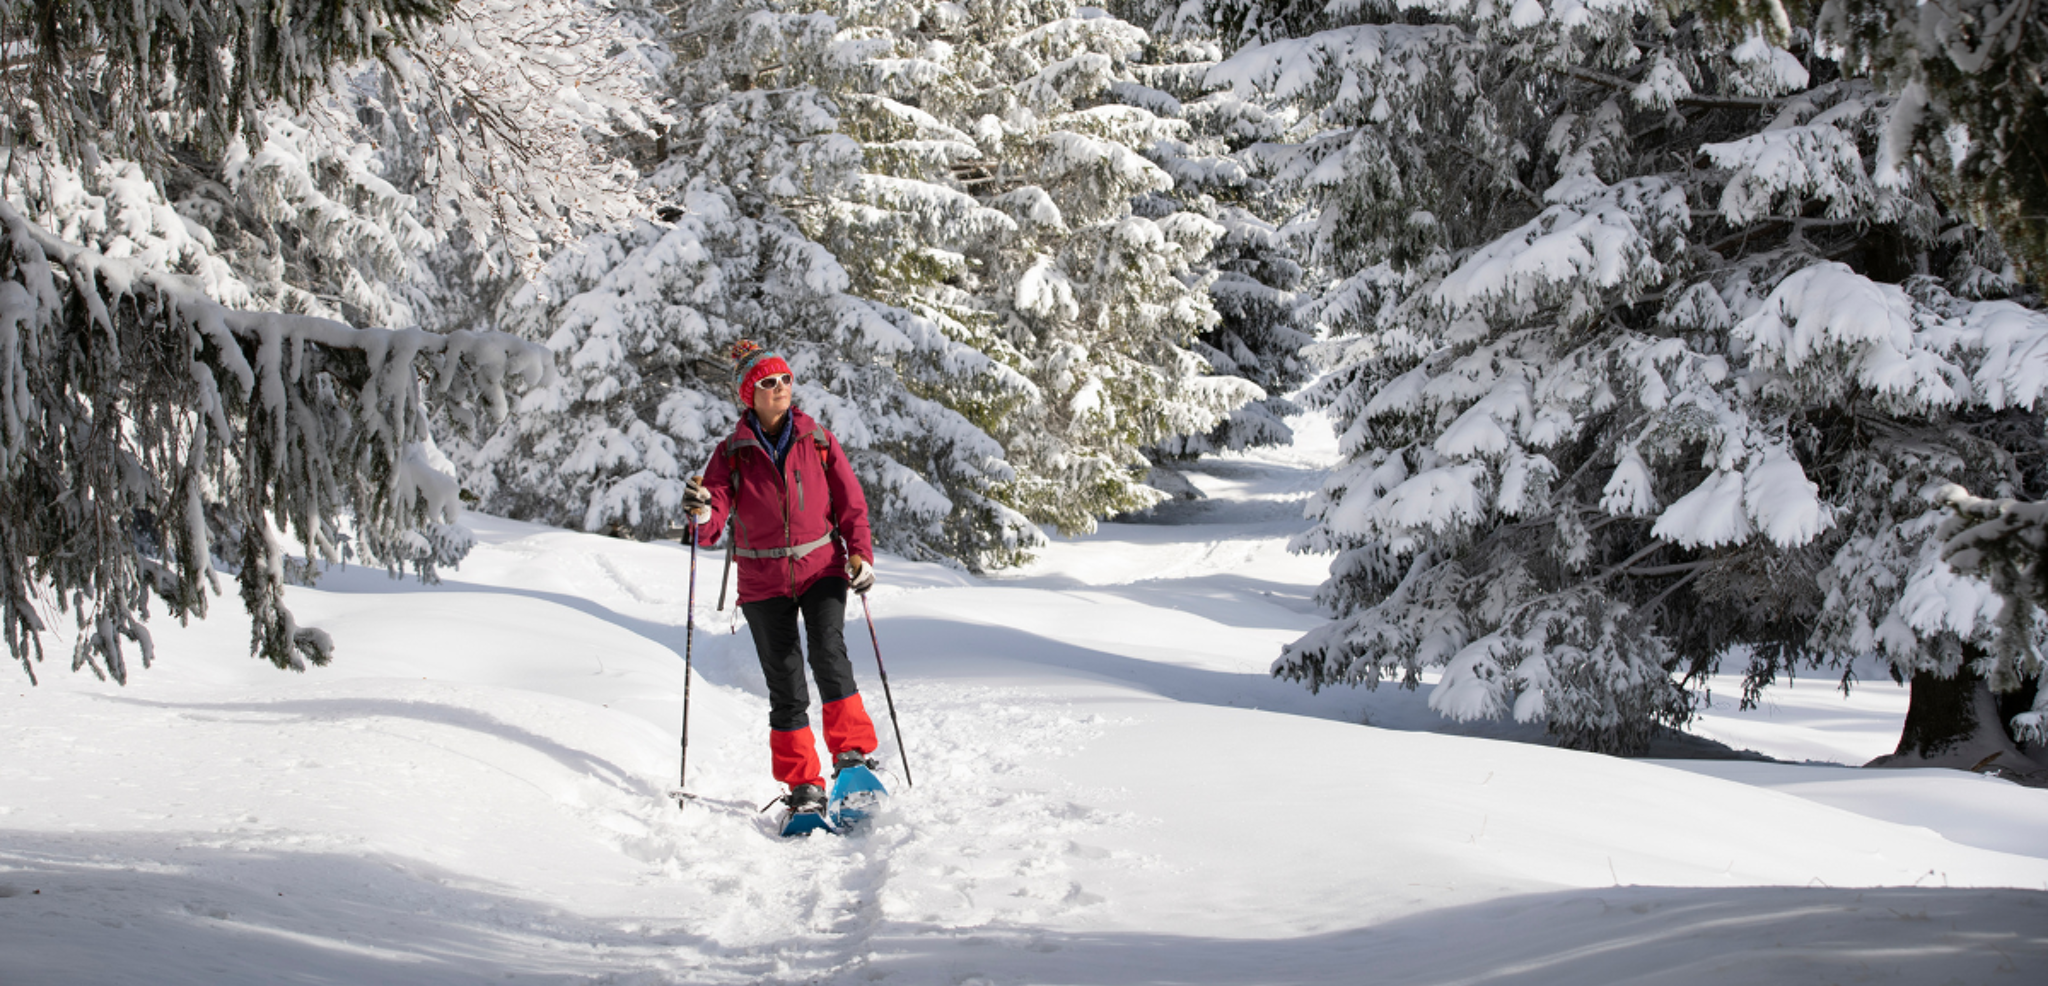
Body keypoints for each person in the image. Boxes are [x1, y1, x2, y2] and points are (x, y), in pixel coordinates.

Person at [681, 340, 881, 817]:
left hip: (821, 569)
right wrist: (702, 512)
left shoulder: (818, 441)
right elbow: (709, 526)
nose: (781, 389)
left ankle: (852, 757)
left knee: (829, 654)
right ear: (749, 394)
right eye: (769, 383)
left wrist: (861, 555)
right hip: (762, 579)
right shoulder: (730, 454)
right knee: (786, 682)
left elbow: (851, 505)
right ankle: (803, 786)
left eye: (786, 379)